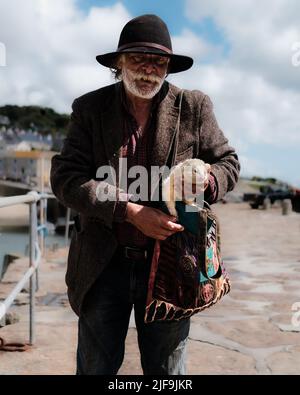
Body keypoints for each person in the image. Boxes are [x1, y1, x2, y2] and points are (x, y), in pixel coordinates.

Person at [50, 14, 240, 375]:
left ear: (168, 68)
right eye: (138, 59)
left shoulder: (194, 107)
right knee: (95, 369)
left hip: (172, 265)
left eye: (158, 62)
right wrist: (130, 211)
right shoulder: (89, 109)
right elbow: (65, 177)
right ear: (118, 63)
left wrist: (208, 180)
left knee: (167, 372)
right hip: (102, 265)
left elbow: (228, 162)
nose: (148, 70)